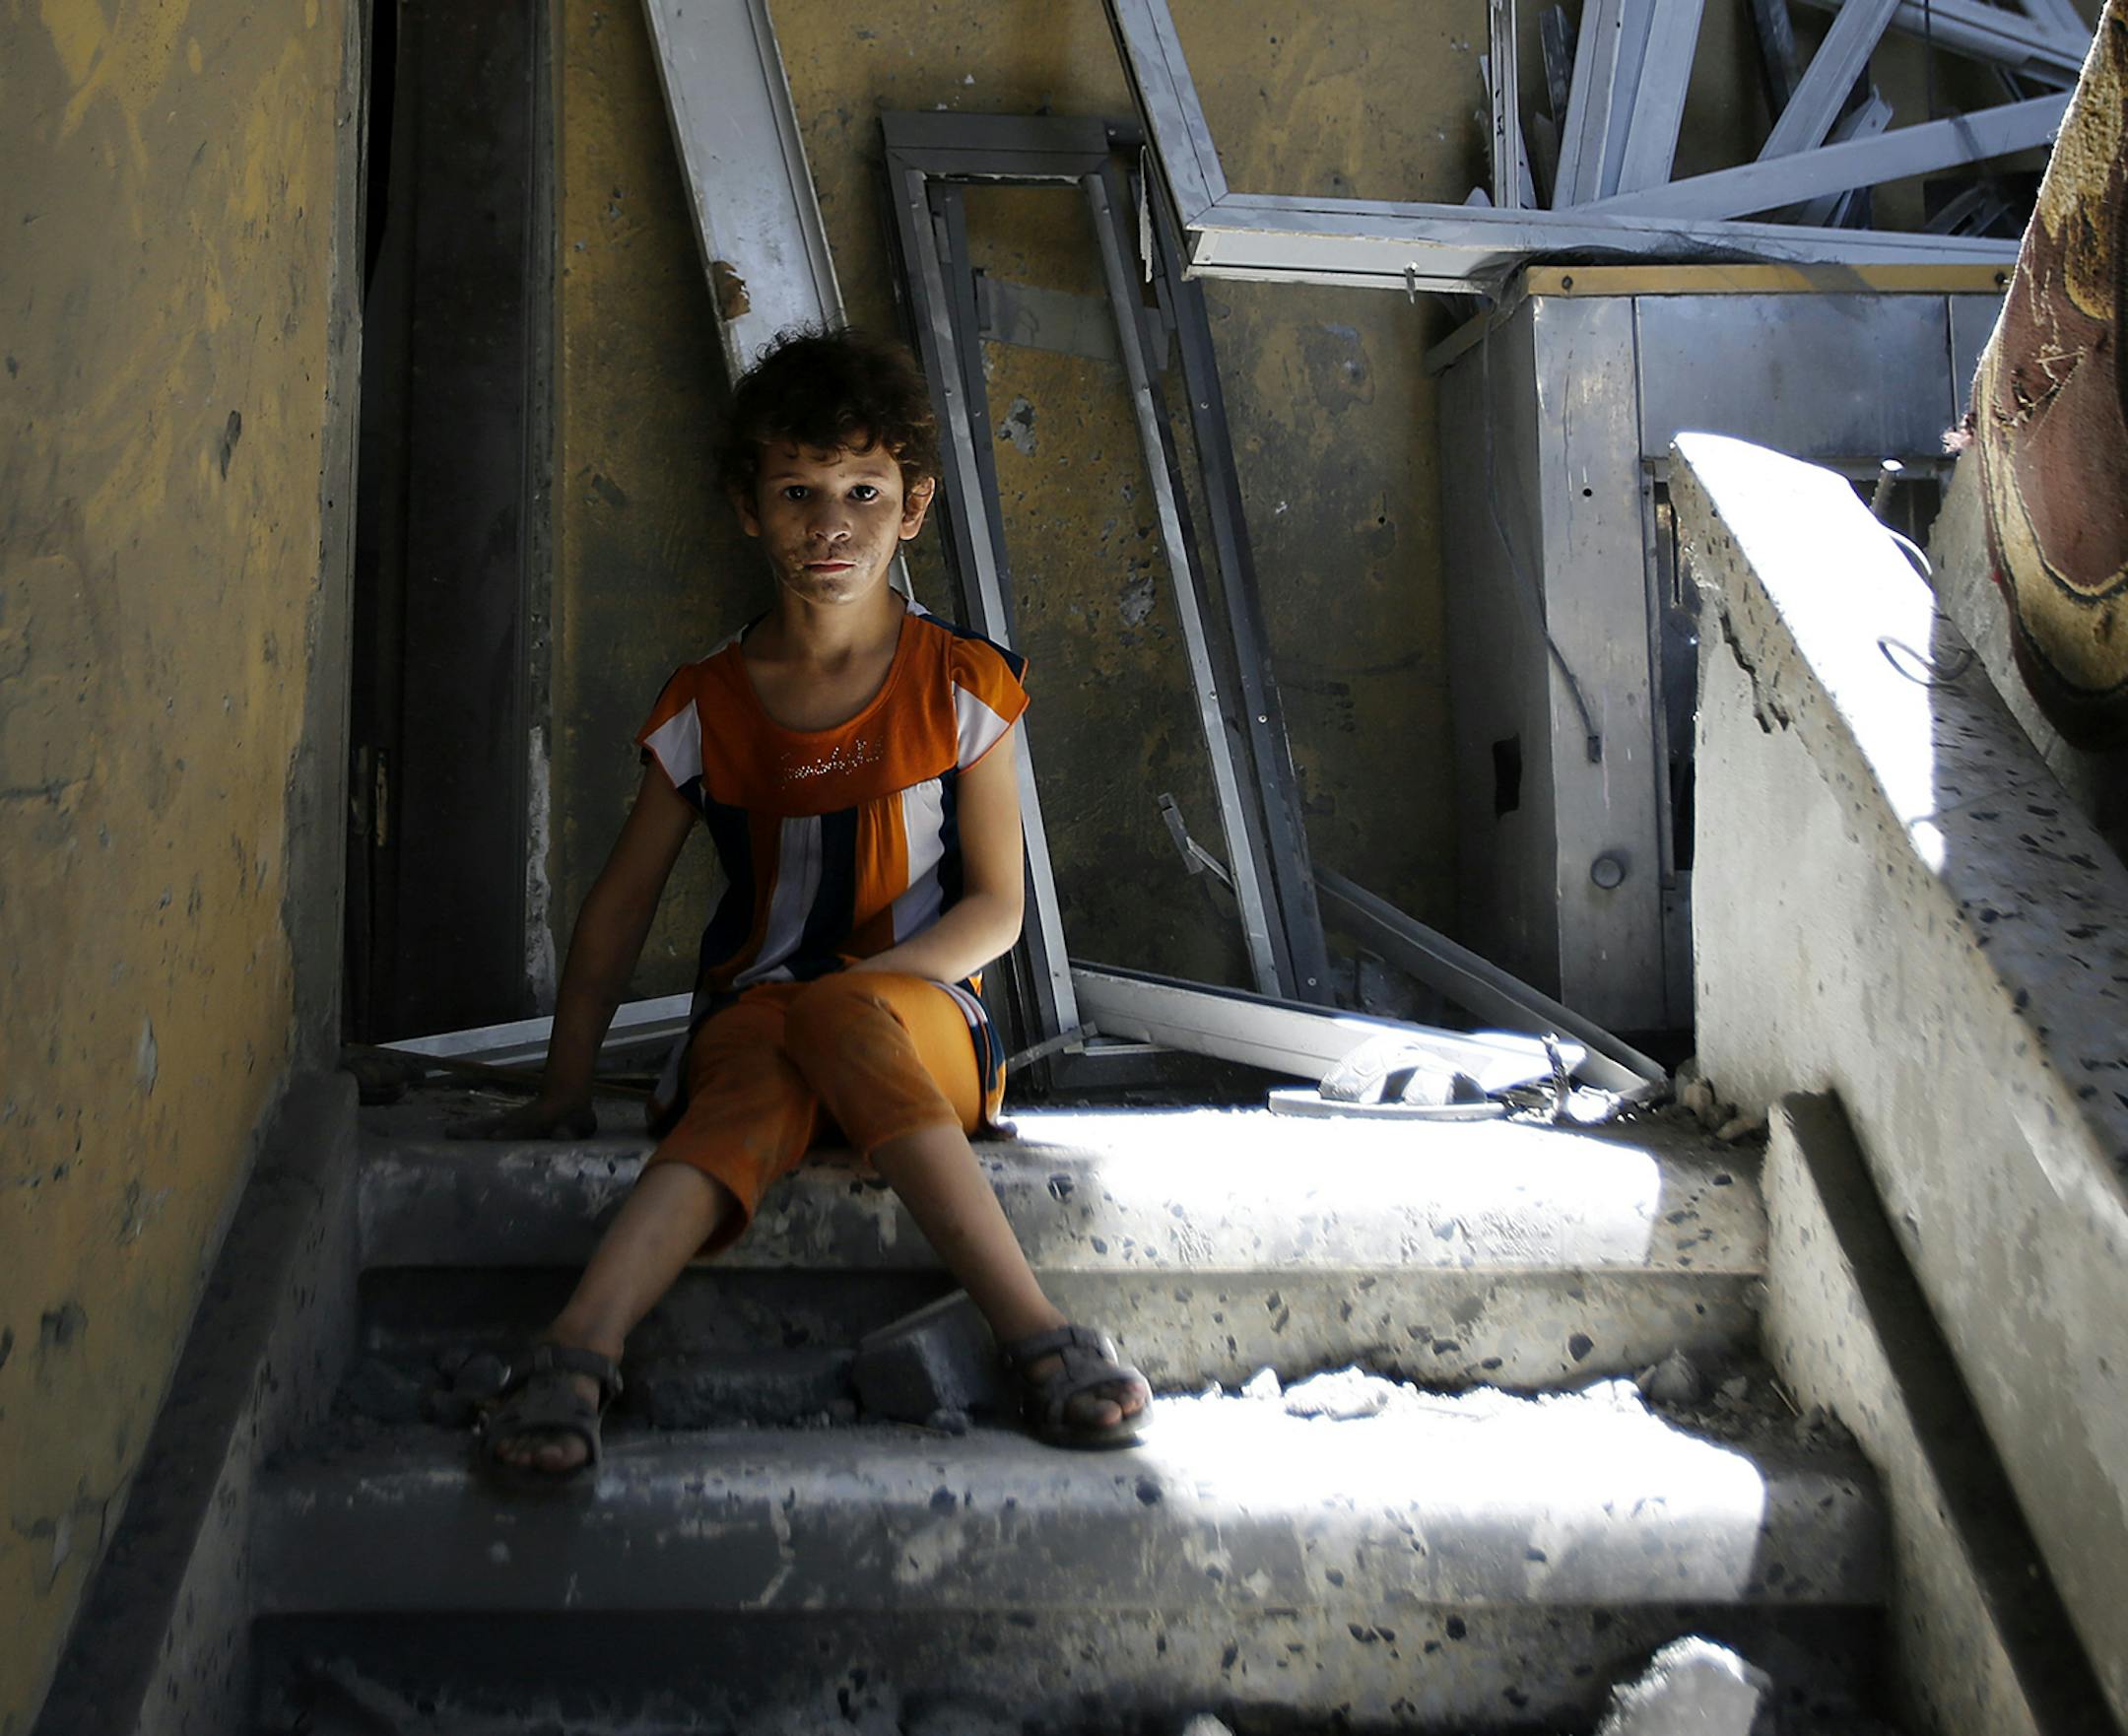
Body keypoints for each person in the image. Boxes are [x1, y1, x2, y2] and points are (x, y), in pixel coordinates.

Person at [456, 329, 1150, 1486]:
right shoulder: (709, 703)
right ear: (749, 507)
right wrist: (565, 1087)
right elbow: (620, 908)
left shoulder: (964, 683)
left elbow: (996, 910)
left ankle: (1035, 1331)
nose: (831, 523)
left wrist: (868, 988)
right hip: (761, 1024)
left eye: (863, 491)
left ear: (912, 507)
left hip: (920, 1025)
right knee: (760, 1056)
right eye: (797, 492)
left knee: (834, 1016)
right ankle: (576, 1354)